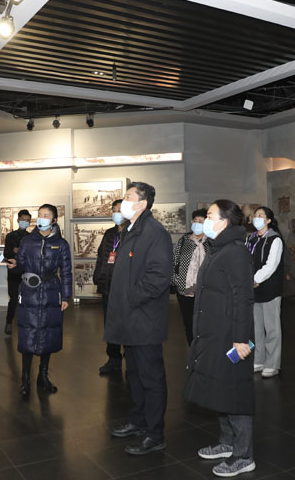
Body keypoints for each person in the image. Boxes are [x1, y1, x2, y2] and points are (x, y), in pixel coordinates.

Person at [184, 200, 256, 478]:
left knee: (234, 393)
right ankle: (228, 442)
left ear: (224, 222)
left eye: (210, 216)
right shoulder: (219, 249)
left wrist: (240, 339)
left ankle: (244, 455)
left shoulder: (235, 252)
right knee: (219, 390)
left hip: (230, 335)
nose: (205, 220)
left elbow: (243, 297)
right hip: (214, 333)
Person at [105, 182, 173, 455]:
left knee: (151, 377)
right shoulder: (131, 230)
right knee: (134, 374)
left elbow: (158, 277)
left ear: (142, 204)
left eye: (128, 197)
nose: (122, 201)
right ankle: (138, 421)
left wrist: (130, 298)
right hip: (129, 318)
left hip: (144, 318)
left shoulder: (154, 232)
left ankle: (155, 434)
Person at [14, 204, 72, 397]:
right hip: (29, 291)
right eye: (39, 215)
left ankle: (43, 377)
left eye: (46, 215)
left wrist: (66, 296)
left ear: (54, 220)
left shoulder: (61, 244)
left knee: (48, 334)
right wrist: (15, 265)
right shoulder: (27, 241)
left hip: (51, 292)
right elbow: (20, 264)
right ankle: (25, 380)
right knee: (27, 335)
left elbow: (66, 271)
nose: (41, 218)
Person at [247, 206, 283, 378]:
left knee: (272, 328)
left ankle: (272, 363)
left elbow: (271, 264)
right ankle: (259, 360)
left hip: (269, 288)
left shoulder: (275, 239)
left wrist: (256, 279)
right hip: (253, 288)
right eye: (255, 215)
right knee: (256, 328)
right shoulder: (251, 238)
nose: (257, 218)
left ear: (268, 220)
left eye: (260, 215)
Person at [94, 199, 127, 374]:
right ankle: (113, 359)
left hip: (126, 290)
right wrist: (98, 277)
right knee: (110, 326)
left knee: (127, 325)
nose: (116, 213)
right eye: (114, 210)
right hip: (108, 287)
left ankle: (131, 359)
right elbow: (101, 257)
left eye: (119, 210)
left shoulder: (133, 233)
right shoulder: (109, 233)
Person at [172, 208, 211, 346]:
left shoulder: (211, 242)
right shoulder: (183, 240)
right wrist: (175, 280)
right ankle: (193, 350)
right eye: (195, 221)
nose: (197, 224)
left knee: (205, 323)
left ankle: (204, 352)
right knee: (189, 323)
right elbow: (174, 260)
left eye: (201, 221)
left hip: (206, 290)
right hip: (184, 290)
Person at [3, 209, 31, 335]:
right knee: (13, 298)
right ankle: (9, 322)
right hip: (14, 271)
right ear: (18, 220)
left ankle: (27, 323)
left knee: (28, 298)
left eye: (27, 220)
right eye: (23, 220)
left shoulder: (30, 237)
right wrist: (13, 251)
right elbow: (6, 254)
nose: (25, 222)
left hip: (27, 271)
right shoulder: (10, 236)